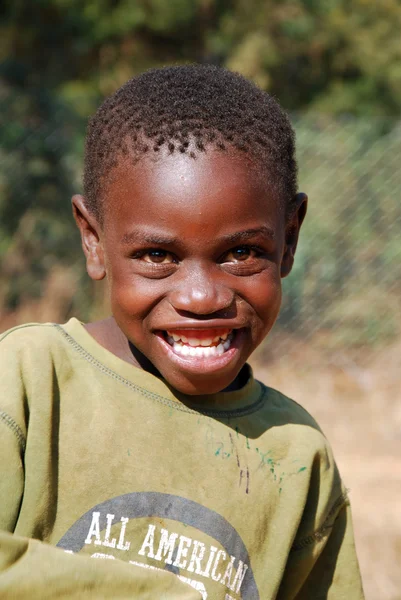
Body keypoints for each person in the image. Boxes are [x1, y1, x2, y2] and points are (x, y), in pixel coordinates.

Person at [0, 65, 364, 599]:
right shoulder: (29, 381)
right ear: (94, 241)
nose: (201, 298)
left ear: (288, 240)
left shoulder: (296, 457)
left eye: (241, 254)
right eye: (157, 256)